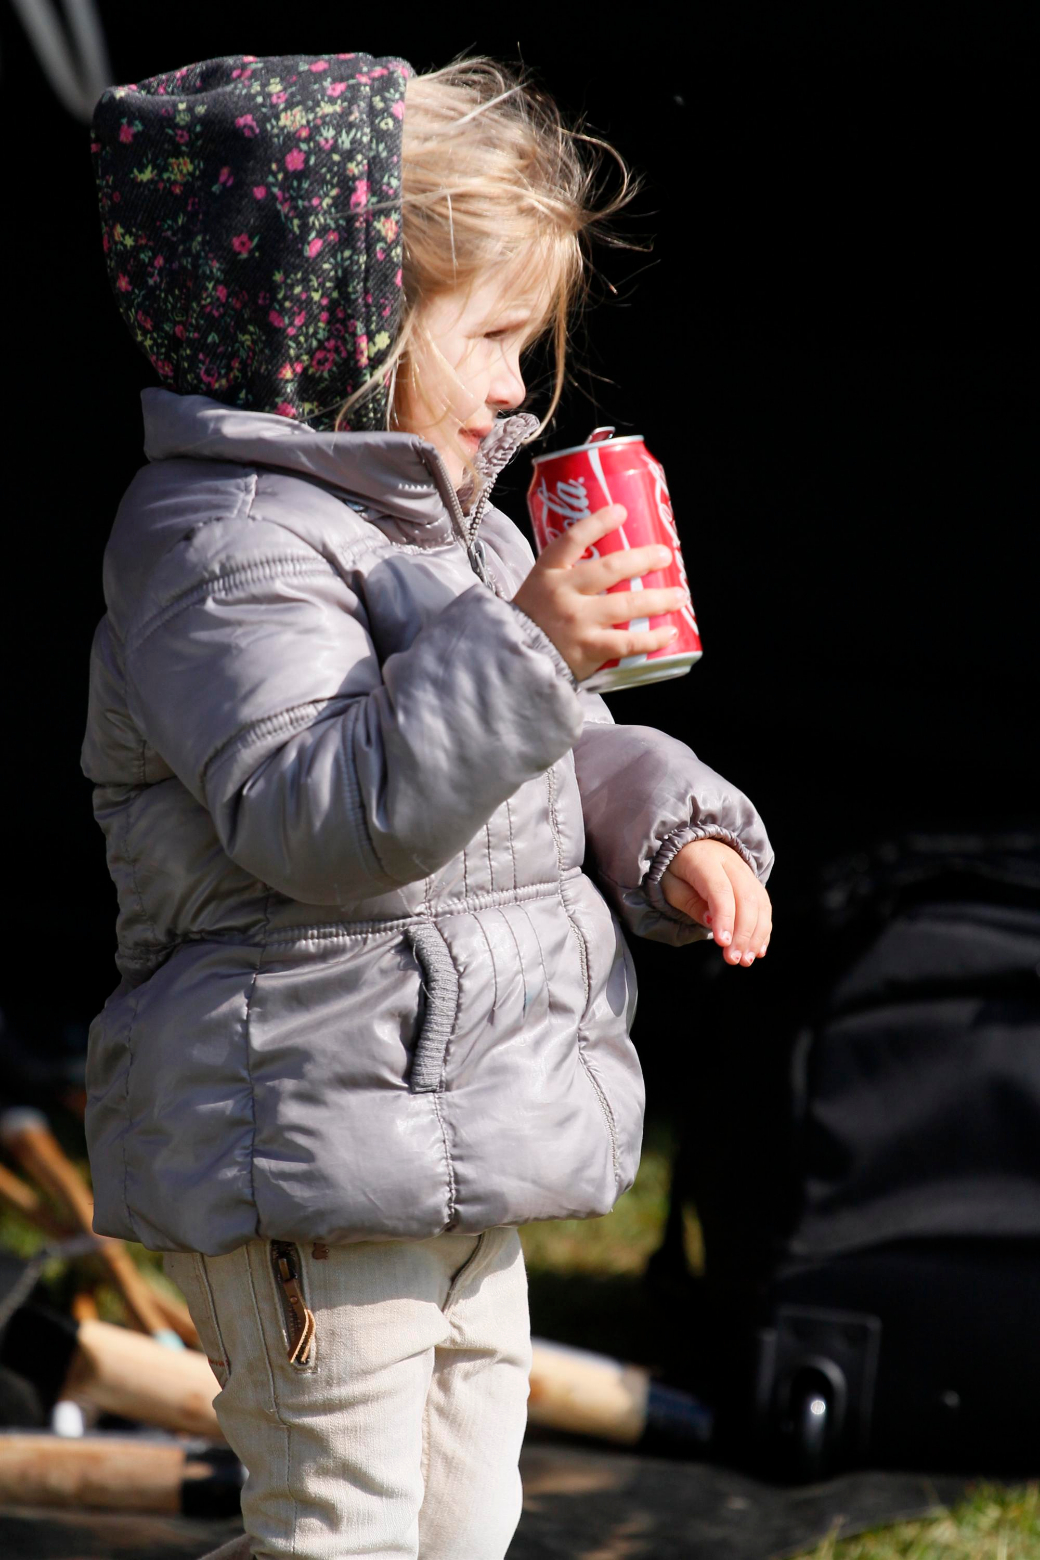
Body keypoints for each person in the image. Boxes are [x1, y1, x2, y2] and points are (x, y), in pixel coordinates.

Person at [84, 51, 773, 1560]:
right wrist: (526, 642)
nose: (521, 388)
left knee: (463, 1528)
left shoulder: (440, 527)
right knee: (336, 1530)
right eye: (495, 340)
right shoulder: (221, 545)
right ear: (349, 325)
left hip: (464, 1132)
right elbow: (317, 816)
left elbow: (566, 747)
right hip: (308, 1153)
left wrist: (680, 834)